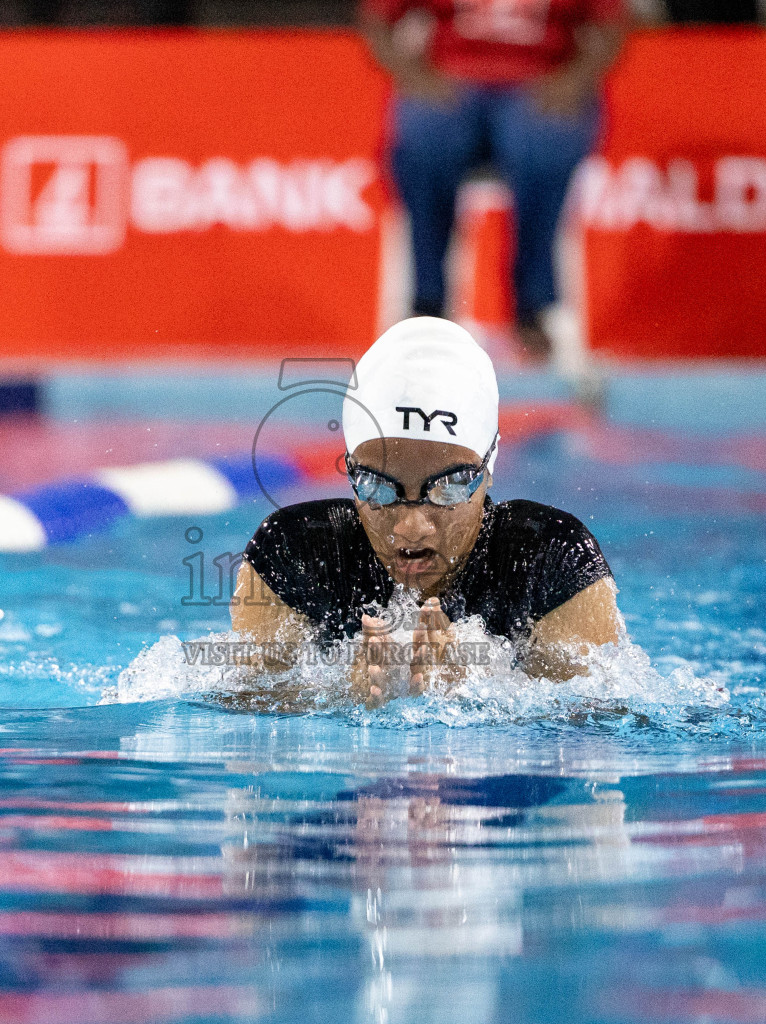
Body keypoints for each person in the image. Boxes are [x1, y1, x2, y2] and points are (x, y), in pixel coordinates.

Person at [230, 317, 621, 706]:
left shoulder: (551, 559)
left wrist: (486, 700)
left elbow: (602, 730)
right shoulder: (295, 553)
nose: (411, 527)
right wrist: (337, 699)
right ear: (349, 469)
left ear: (488, 471)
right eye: (377, 486)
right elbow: (238, 713)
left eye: (448, 486)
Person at [359, 0, 626, 362]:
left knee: (544, 145)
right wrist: (414, 76)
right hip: (452, 78)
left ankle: (534, 307)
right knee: (422, 139)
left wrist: (574, 80)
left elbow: (614, 22)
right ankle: (427, 304)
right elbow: (375, 17)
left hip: (541, 79)